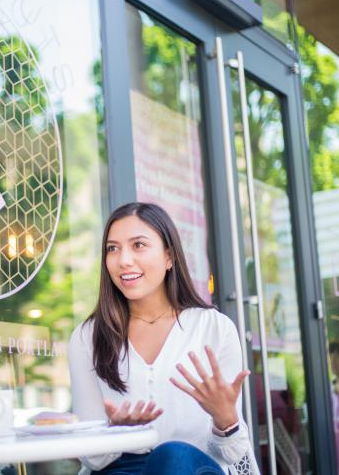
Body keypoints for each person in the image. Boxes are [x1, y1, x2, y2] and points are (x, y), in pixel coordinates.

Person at [69, 202, 258, 474]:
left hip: (191, 466)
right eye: (113, 248)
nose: (123, 260)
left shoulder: (213, 328)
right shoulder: (88, 337)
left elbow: (231, 454)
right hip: (121, 469)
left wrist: (226, 419)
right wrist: (117, 432)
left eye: (138, 245)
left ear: (169, 256)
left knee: (172, 457)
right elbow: (93, 459)